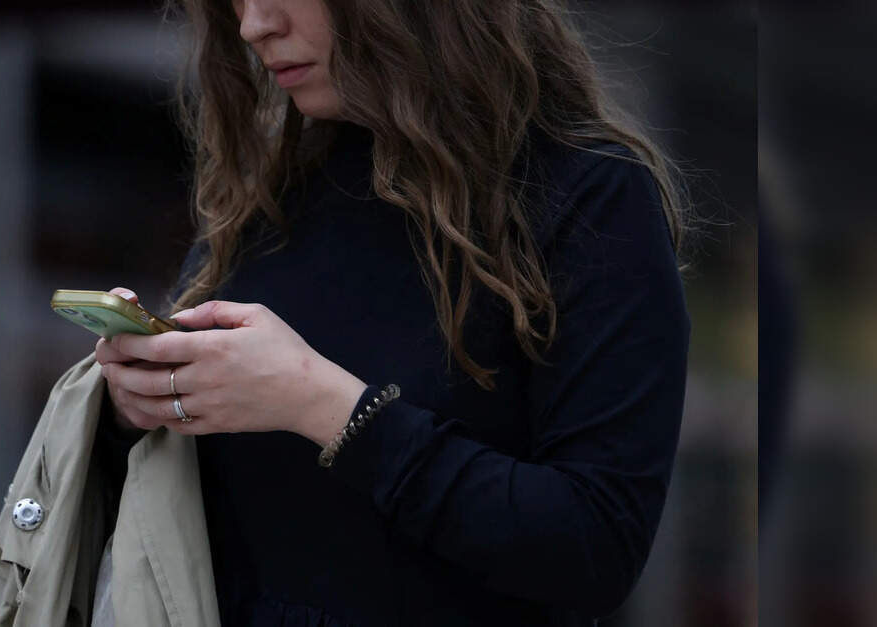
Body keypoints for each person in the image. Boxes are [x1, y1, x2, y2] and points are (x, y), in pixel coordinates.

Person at [92, 0, 691, 624]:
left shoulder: (589, 194)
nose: (253, 24)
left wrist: (321, 405)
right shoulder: (268, 192)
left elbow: (595, 549)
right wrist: (139, 404)